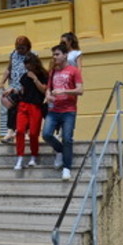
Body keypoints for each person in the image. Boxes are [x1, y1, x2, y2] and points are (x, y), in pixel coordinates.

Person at [42, 43, 84, 181]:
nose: (54, 57)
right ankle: (60, 150)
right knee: (46, 134)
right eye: (53, 55)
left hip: (68, 111)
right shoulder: (53, 72)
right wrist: (48, 95)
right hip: (53, 110)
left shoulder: (74, 71)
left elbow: (80, 90)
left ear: (65, 55)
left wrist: (64, 91)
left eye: (57, 54)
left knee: (67, 138)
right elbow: (48, 88)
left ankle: (67, 168)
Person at [12, 53, 48, 170]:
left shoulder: (43, 75)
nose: (27, 66)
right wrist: (14, 91)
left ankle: (34, 156)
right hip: (23, 105)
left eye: (28, 64)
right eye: (25, 64)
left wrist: (35, 79)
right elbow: (23, 90)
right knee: (20, 131)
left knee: (33, 133)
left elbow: (44, 91)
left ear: (34, 63)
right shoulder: (24, 76)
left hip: (36, 106)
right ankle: (20, 157)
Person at [0, 36, 32, 143]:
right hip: (13, 86)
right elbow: (9, 69)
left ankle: (26, 132)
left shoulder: (32, 55)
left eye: (22, 48)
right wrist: (2, 82)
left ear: (27, 47)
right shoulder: (13, 54)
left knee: (25, 109)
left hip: (26, 87)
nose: (20, 50)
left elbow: (34, 71)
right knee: (11, 108)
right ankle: (10, 132)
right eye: (18, 48)